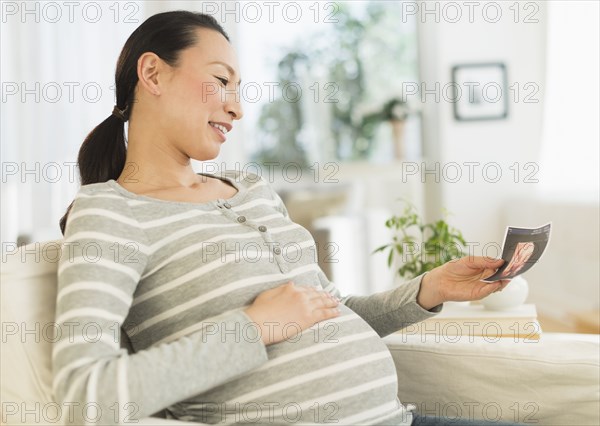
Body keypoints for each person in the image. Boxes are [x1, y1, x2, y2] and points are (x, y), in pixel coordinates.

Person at [54, 11, 518, 426]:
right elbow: (85, 395)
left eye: (238, 89)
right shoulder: (110, 212)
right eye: (221, 80)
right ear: (152, 73)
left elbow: (324, 312)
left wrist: (427, 290)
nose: (237, 107)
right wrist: (257, 327)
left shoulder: (251, 189)